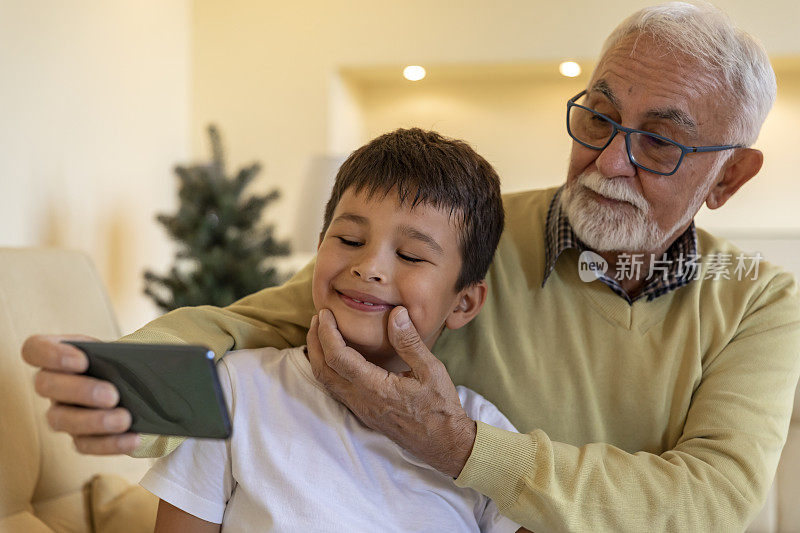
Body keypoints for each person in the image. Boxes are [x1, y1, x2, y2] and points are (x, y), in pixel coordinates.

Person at [22, 3, 800, 531]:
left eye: (659, 141)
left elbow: (715, 500)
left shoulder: (761, 301)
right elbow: (255, 323)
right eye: (598, 117)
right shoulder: (478, 235)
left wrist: (461, 448)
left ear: (728, 178)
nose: (608, 160)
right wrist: (131, 388)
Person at [140, 128, 526, 532]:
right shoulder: (235, 389)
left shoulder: (479, 437)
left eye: (410, 255)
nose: (370, 267)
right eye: (349, 239)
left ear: (463, 302)